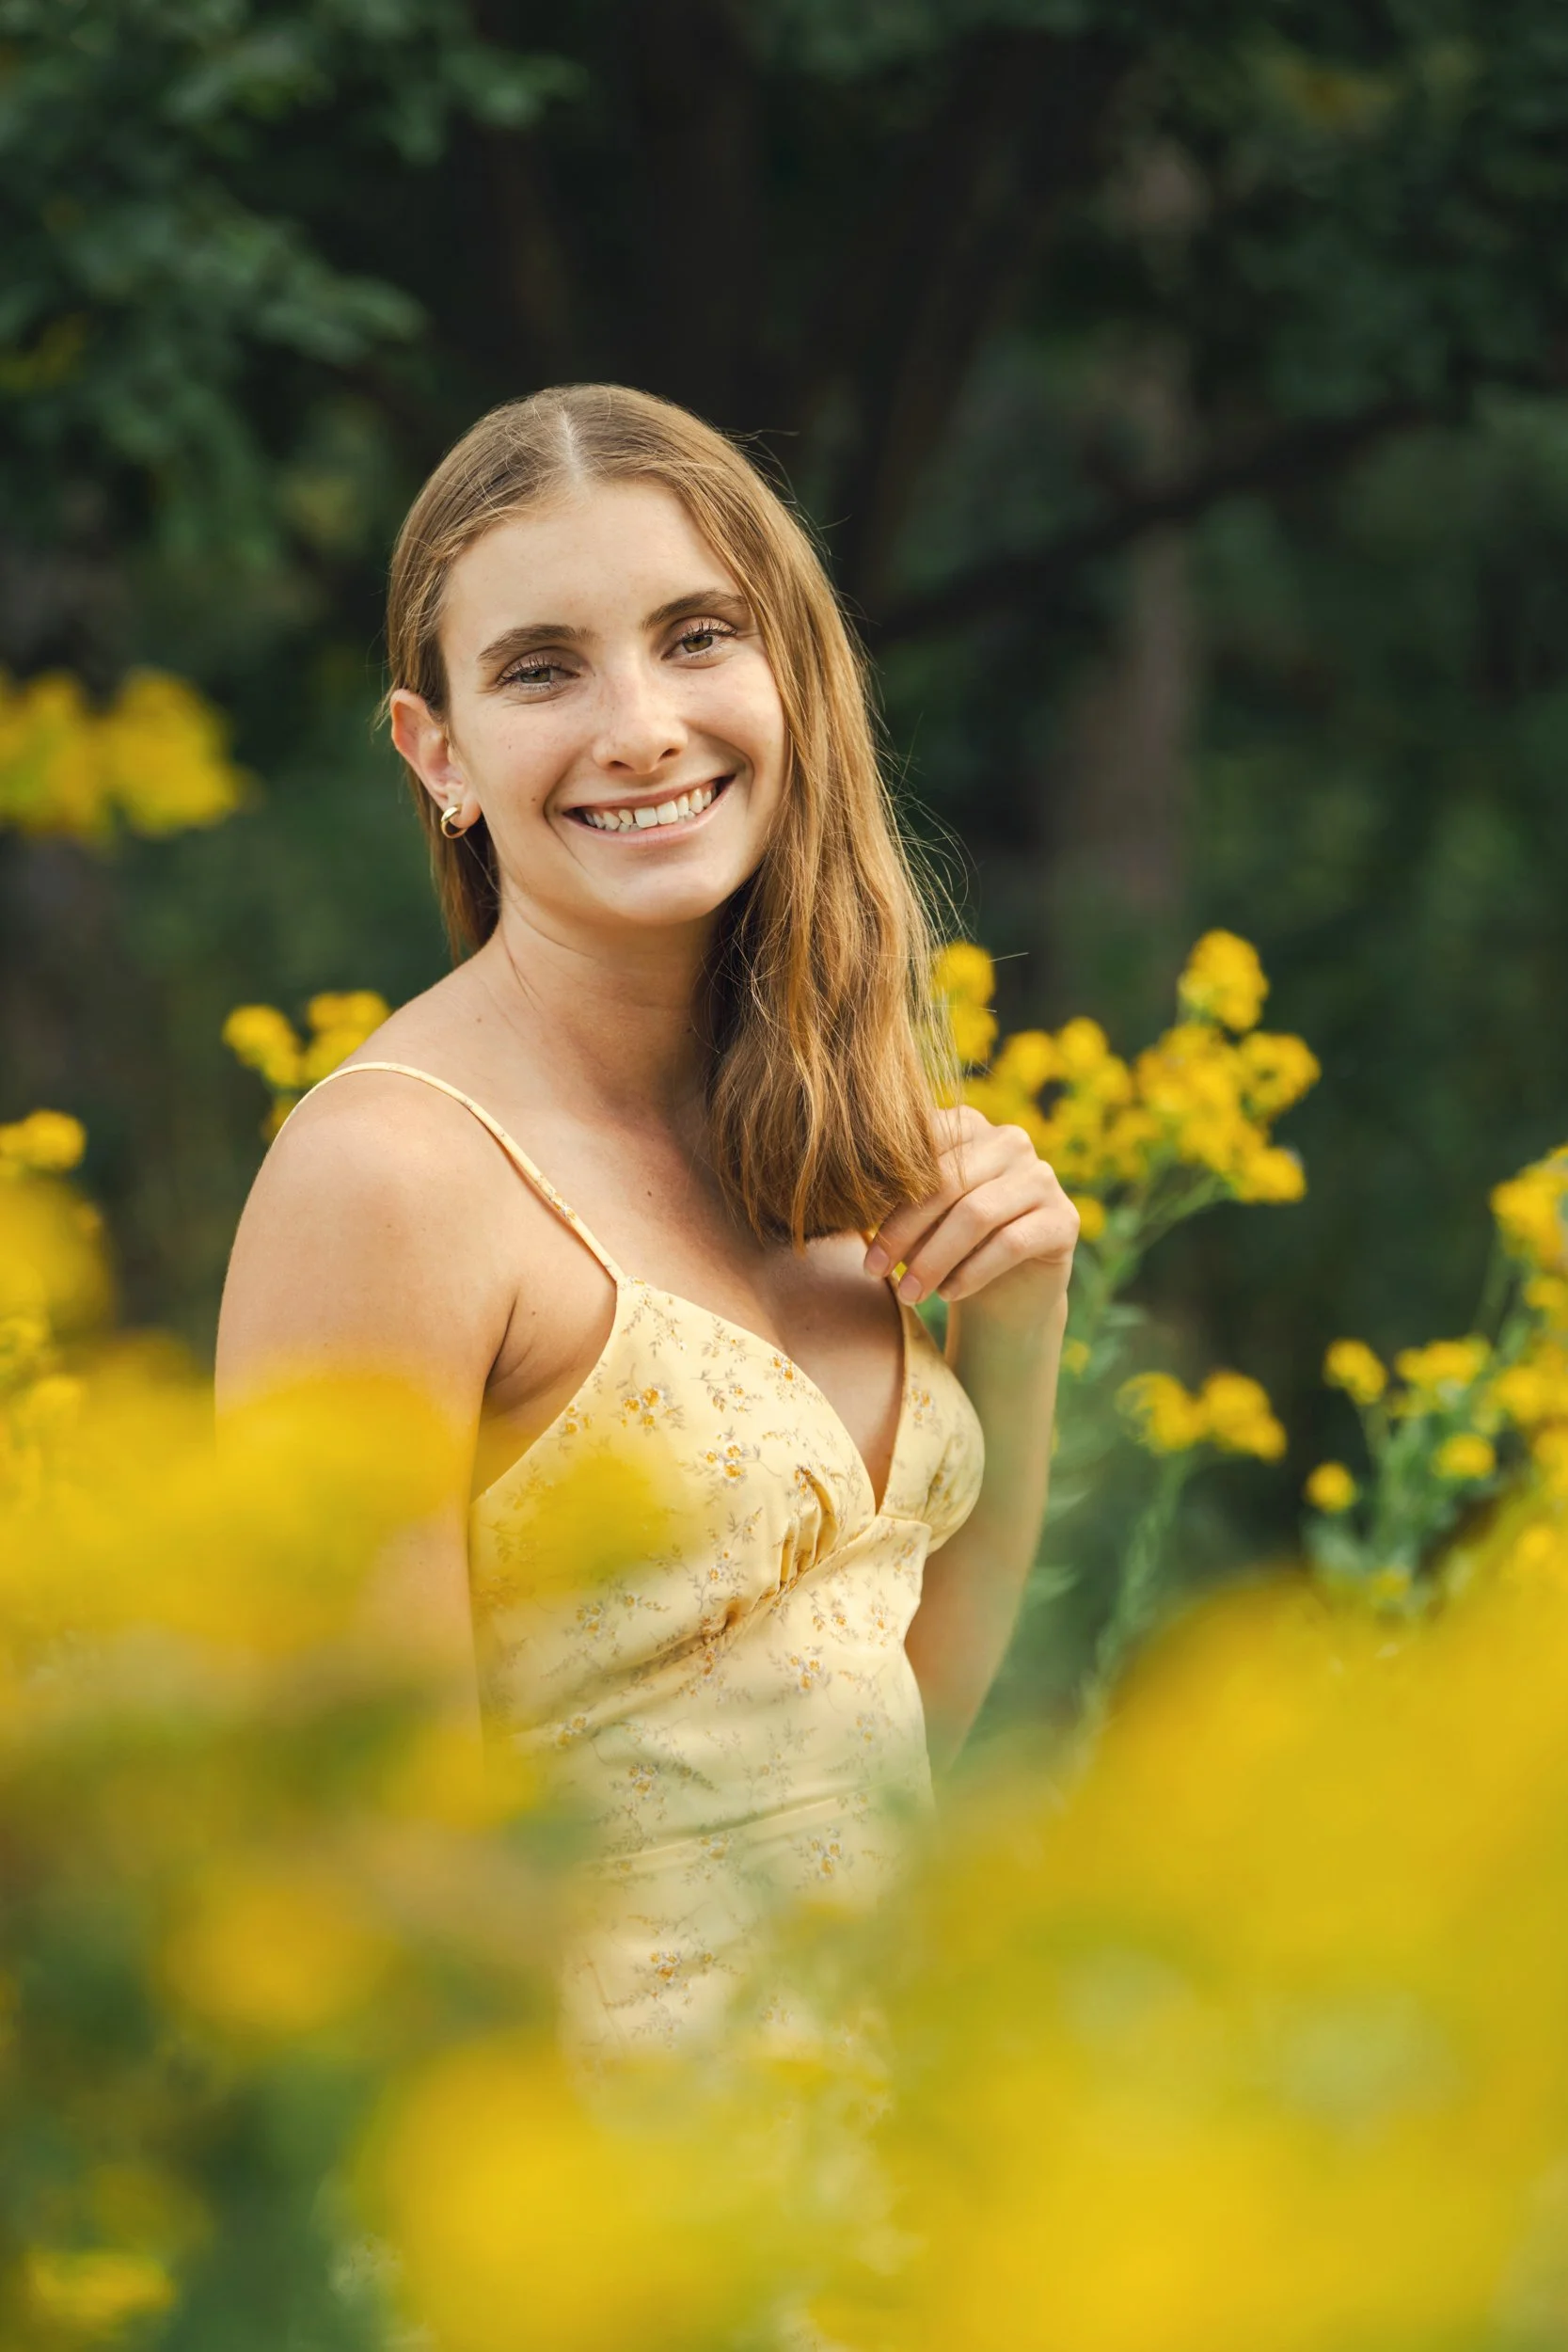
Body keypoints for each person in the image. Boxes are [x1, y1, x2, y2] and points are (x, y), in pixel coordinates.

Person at [216, 384, 1076, 2062]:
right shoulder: (389, 1178)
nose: (641, 726)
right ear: (437, 750)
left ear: (787, 679)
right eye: (543, 668)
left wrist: (1018, 1321)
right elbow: (356, 1858)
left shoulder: (829, 1128)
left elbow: (909, 1720)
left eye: (697, 638)